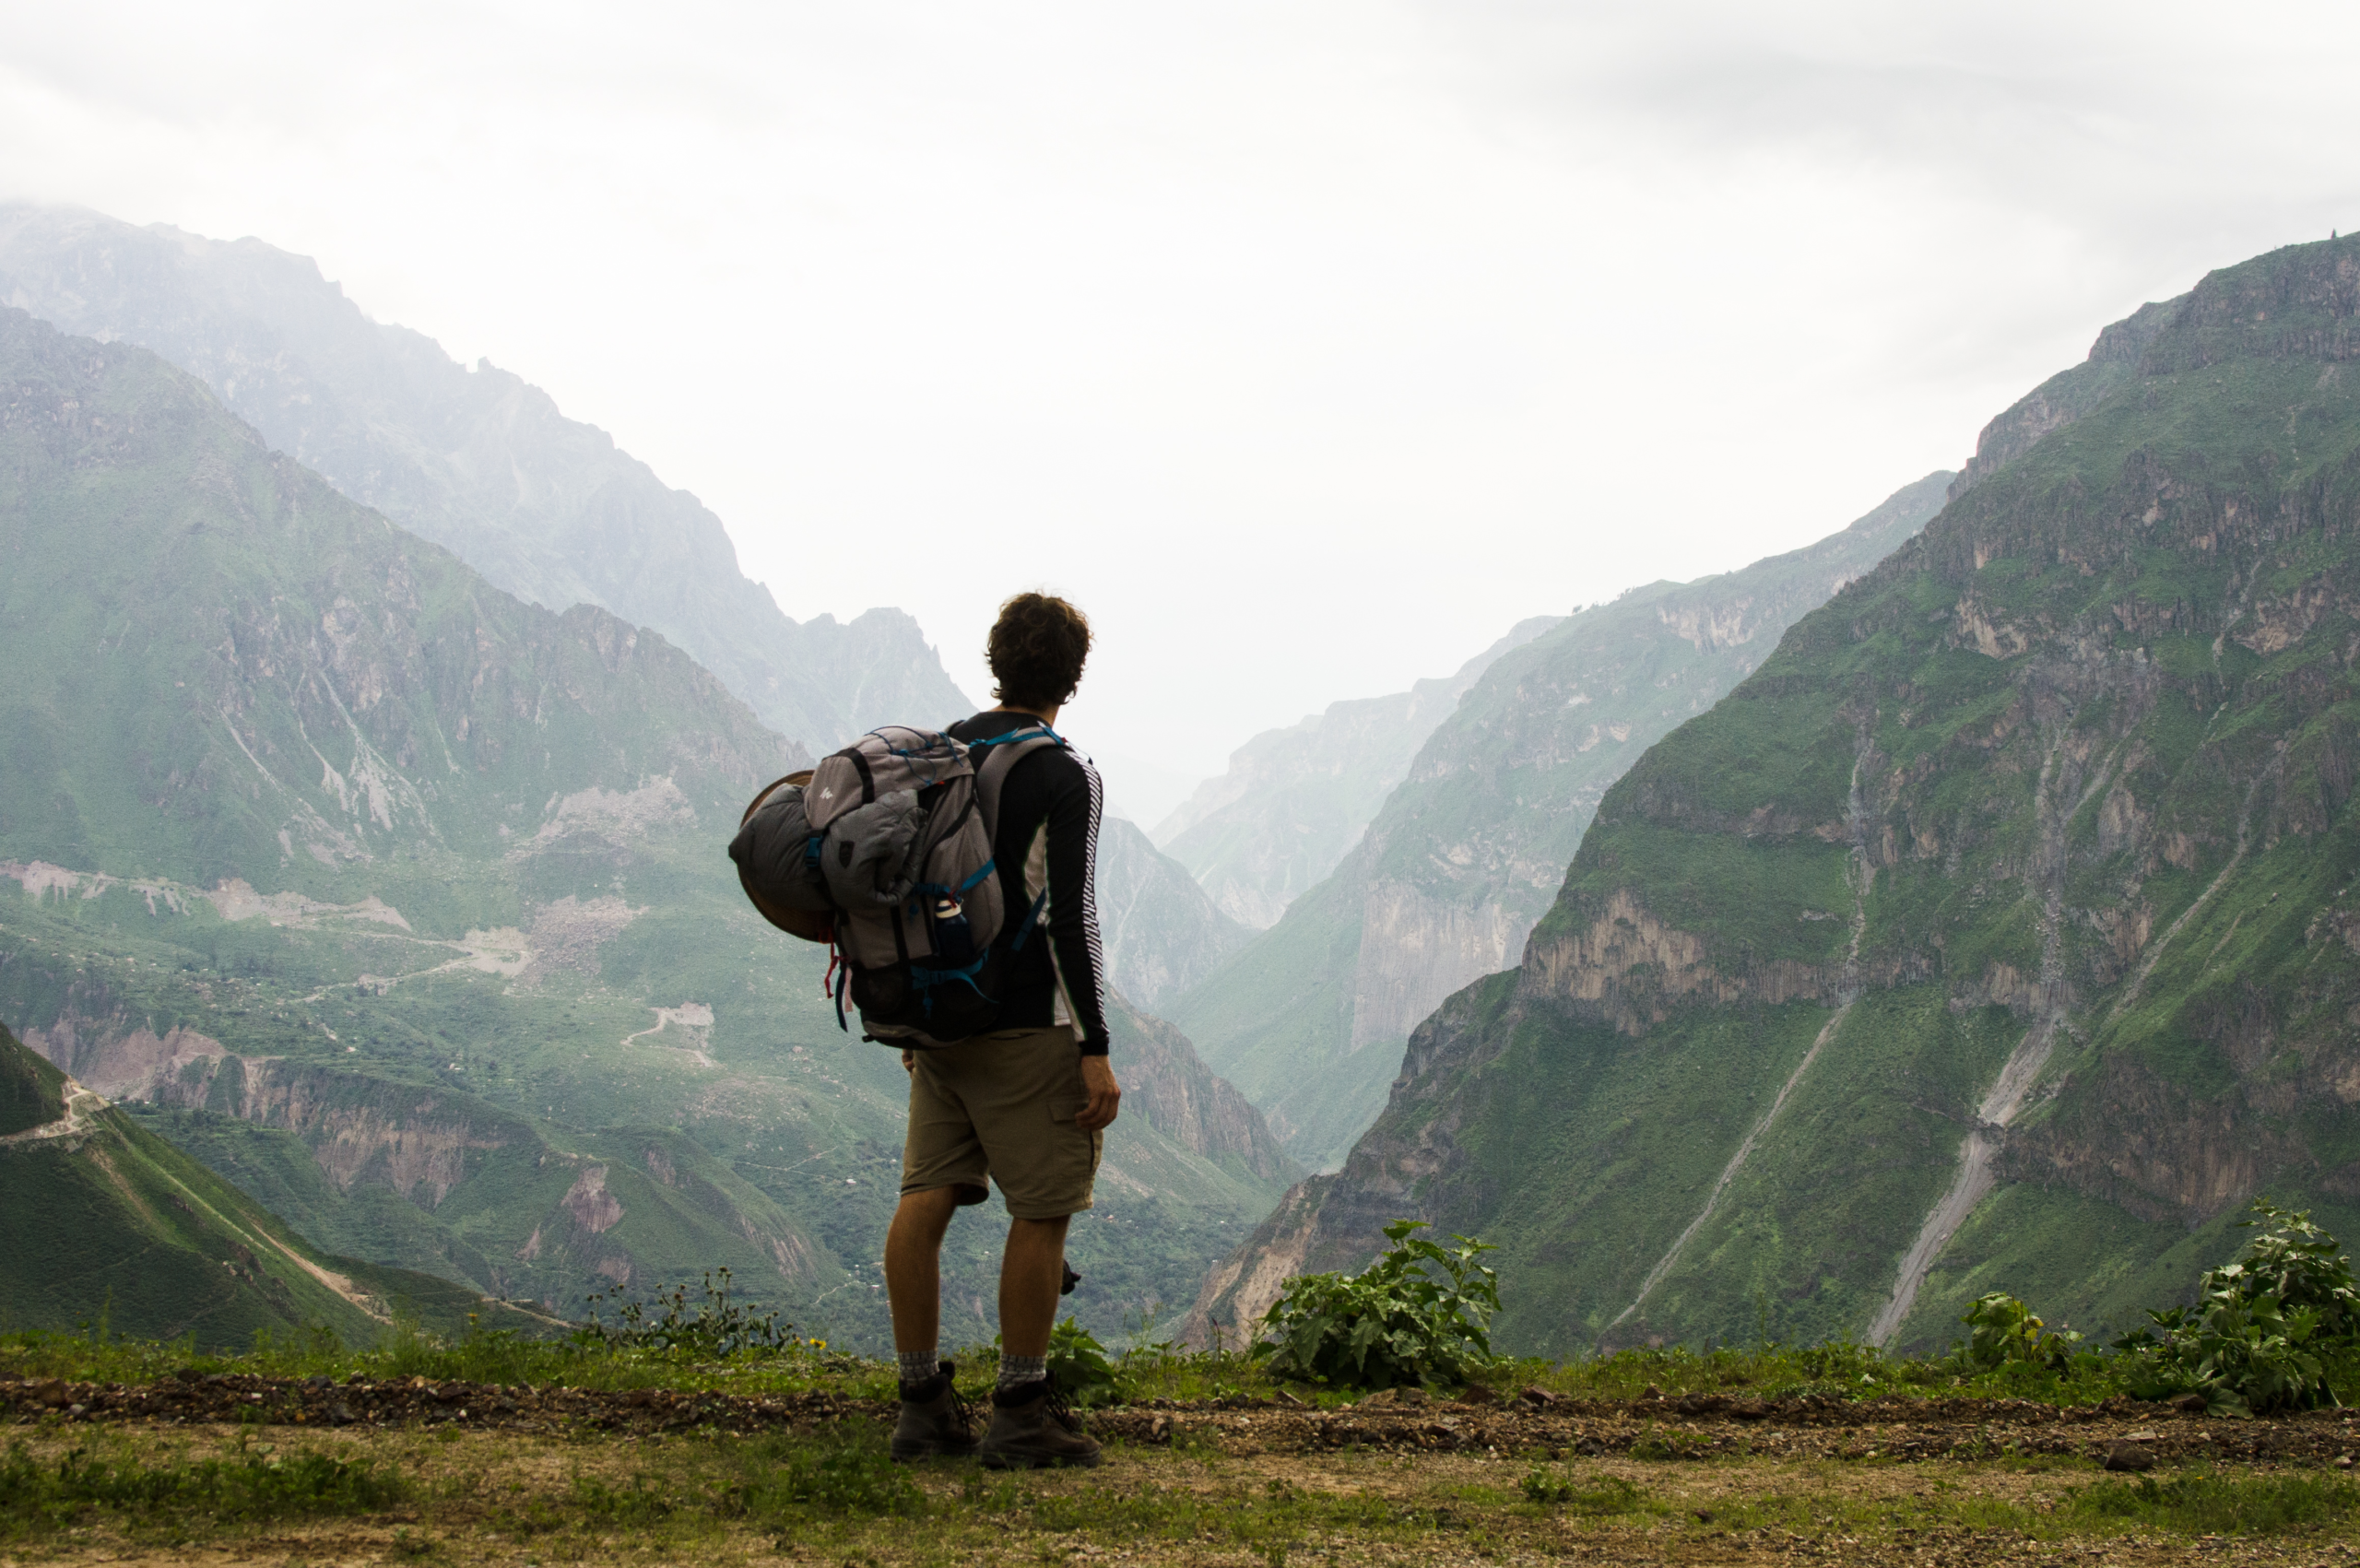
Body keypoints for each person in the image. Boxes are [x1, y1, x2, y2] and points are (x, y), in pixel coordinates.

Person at [885, 591, 1121, 1468]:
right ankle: (1019, 1409)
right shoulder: (1066, 774)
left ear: (996, 663)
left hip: (940, 1020)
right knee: (1043, 1208)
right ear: (1073, 676)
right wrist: (1094, 1046)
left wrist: (916, 1014)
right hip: (1025, 1026)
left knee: (927, 1196)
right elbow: (1070, 918)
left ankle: (920, 1406)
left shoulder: (943, 753)